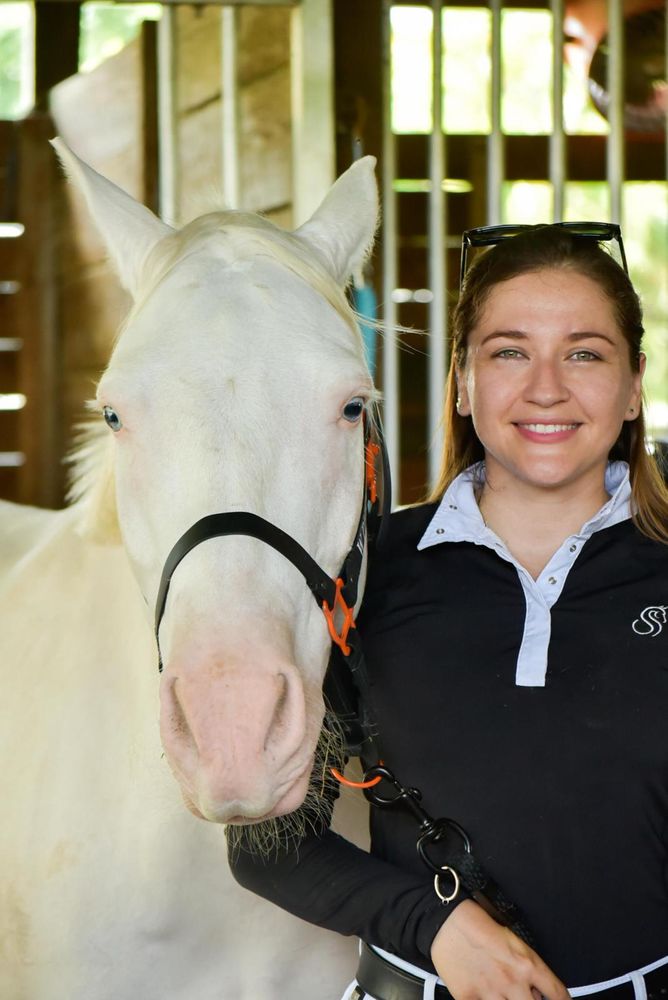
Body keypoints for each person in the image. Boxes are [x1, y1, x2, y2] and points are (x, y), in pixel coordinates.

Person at [229, 223, 668, 1000]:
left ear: (635, 383)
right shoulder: (364, 577)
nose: (546, 387)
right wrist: (430, 925)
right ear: (462, 382)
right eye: (508, 351)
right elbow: (266, 842)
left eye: (584, 352)